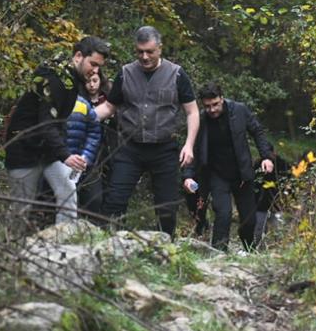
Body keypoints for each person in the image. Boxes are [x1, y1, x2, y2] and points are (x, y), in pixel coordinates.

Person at [99, 26, 199, 238]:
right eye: (140, 52)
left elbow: (192, 111)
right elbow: (109, 107)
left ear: (160, 49)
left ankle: (166, 246)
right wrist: (80, 115)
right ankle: (109, 244)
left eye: (149, 52)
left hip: (164, 148)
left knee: (166, 206)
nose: (144, 57)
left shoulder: (177, 74)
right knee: (115, 198)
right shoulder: (125, 73)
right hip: (130, 147)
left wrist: (189, 144)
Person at [3, 36, 110, 226]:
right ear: (78, 56)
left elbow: (59, 122)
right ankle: (9, 250)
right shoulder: (54, 79)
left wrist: (63, 153)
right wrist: (66, 155)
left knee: (67, 190)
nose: (95, 71)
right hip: (23, 148)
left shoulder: (71, 79)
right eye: (92, 64)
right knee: (21, 207)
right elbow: (46, 123)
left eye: (98, 67)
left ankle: (64, 242)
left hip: (48, 150)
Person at [182, 82, 275, 251]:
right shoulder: (201, 119)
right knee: (223, 214)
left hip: (242, 173)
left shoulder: (239, 110)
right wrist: (188, 175)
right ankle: (218, 253)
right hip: (217, 175)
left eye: (215, 104)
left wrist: (266, 157)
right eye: (207, 106)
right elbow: (192, 148)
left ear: (222, 98)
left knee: (249, 220)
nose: (212, 110)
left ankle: (249, 249)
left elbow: (257, 131)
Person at [76, 70, 114, 219]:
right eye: (88, 81)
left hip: (108, 149)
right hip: (86, 150)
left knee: (107, 190)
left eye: (94, 81)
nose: (91, 85)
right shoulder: (79, 100)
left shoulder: (110, 100)